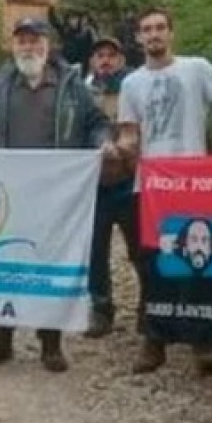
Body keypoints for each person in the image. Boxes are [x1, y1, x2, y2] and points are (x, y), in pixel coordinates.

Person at [115, 6, 212, 375]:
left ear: (172, 33)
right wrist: (124, 148)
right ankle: (154, 341)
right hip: (151, 186)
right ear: (138, 38)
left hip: (195, 182)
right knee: (152, 262)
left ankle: (201, 343)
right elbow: (129, 132)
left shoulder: (196, 68)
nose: (154, 35)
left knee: (198, 259)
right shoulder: (131, 83)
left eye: (160, 28)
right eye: (146, 29)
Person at [0, 17, 110, 370]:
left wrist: (103, 142)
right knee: (3, 265)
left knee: (50, 263)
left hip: (54, 196)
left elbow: (95, 122)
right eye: (21, 41)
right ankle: (1, 340)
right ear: (12, 45)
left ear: (47, 45)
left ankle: (51, 343)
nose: (28, 47)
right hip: (6, 193)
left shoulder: (71, 85)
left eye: (35, 41)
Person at [85, 36, 137, 337]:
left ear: (120, 60)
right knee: (96, 251)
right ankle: (101, 309)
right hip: (94, 184)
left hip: (130, 180)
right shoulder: (82, 90)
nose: (105, 60)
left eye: (111, 55)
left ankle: (148, 307)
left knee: (139, 249)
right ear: (92, 60)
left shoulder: (135, 87)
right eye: (100, 55)